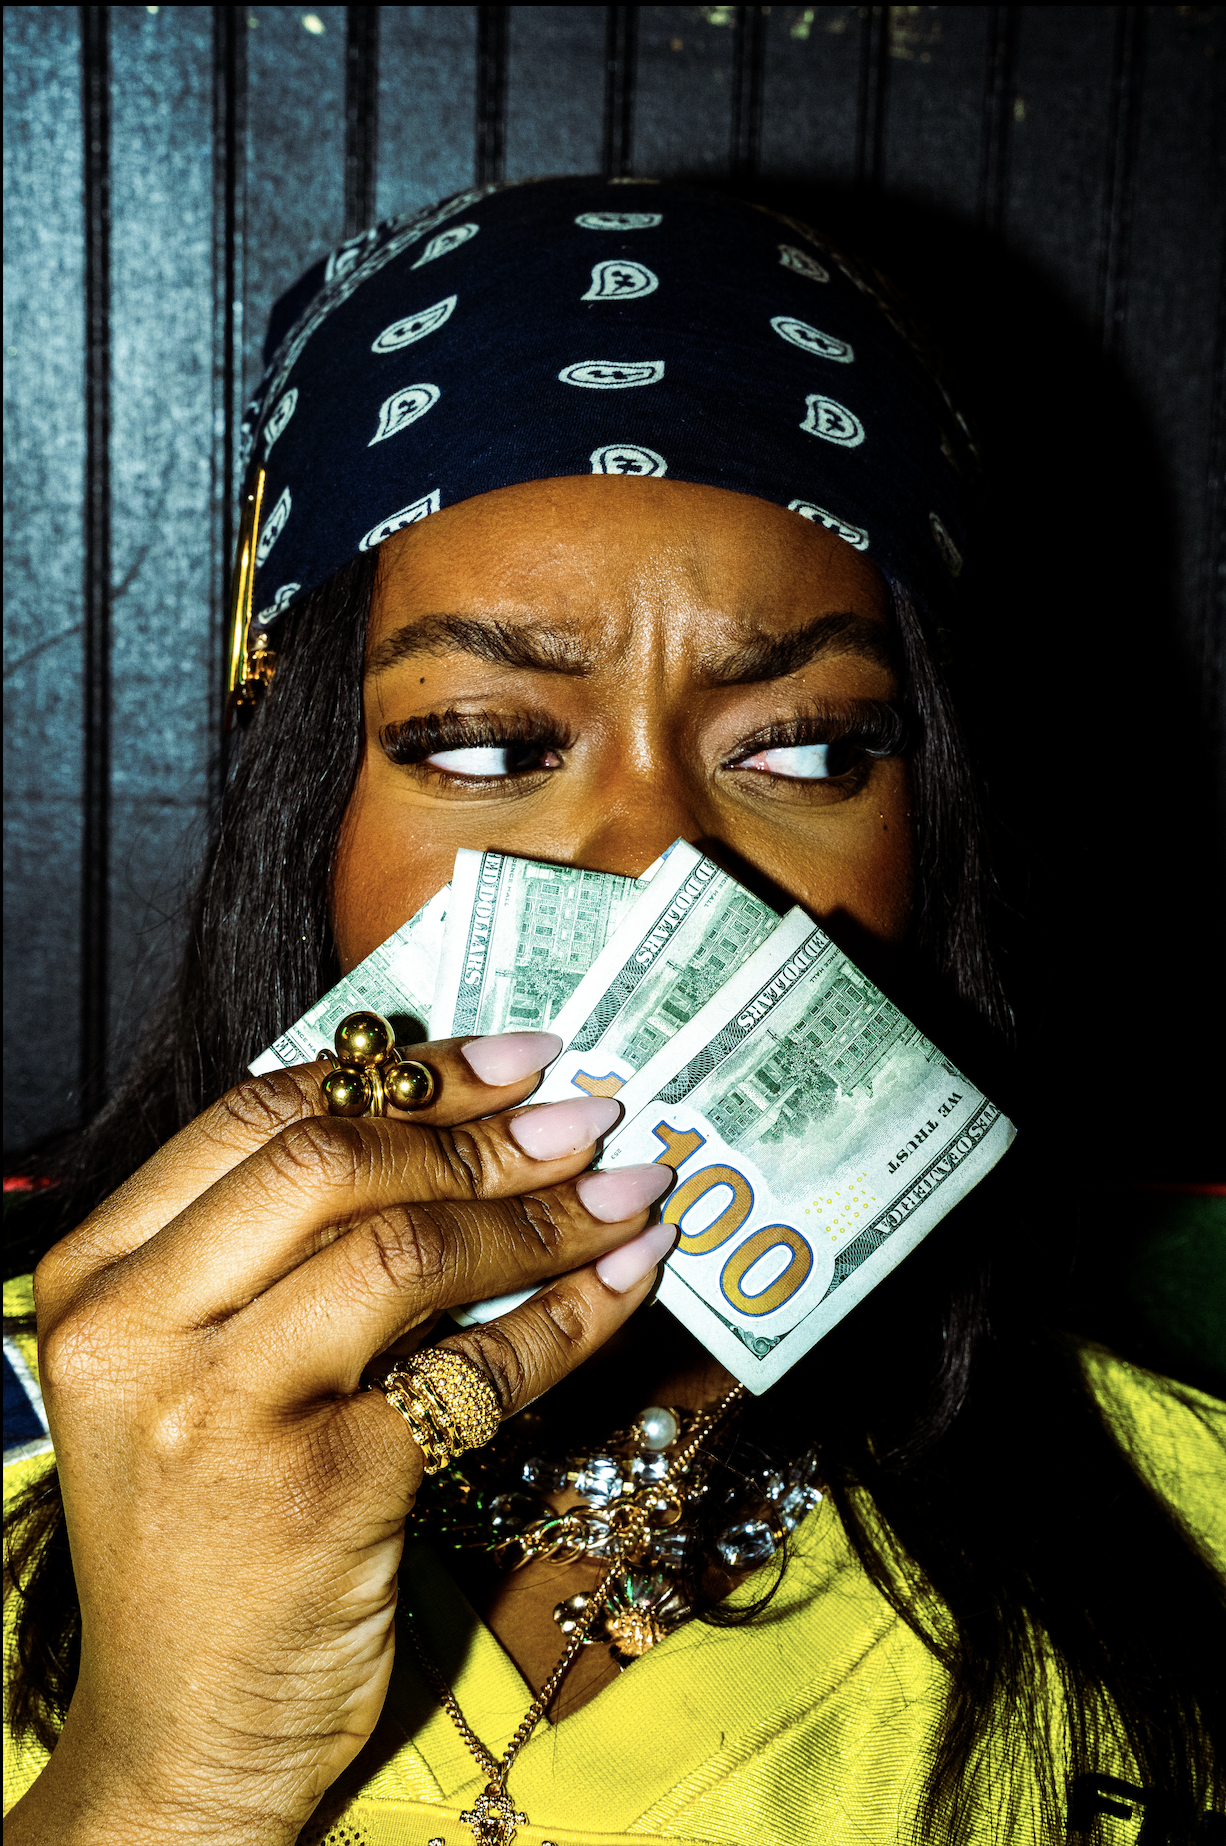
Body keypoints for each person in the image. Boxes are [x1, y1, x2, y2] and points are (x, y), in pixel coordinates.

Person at [3, 178, 1223, 1846]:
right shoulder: (34, 1432)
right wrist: (162, 1786)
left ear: (927, 839)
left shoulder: (1198, 1538)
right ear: (310, 826)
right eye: (490, 744)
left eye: (800, 749)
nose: (663, 876)